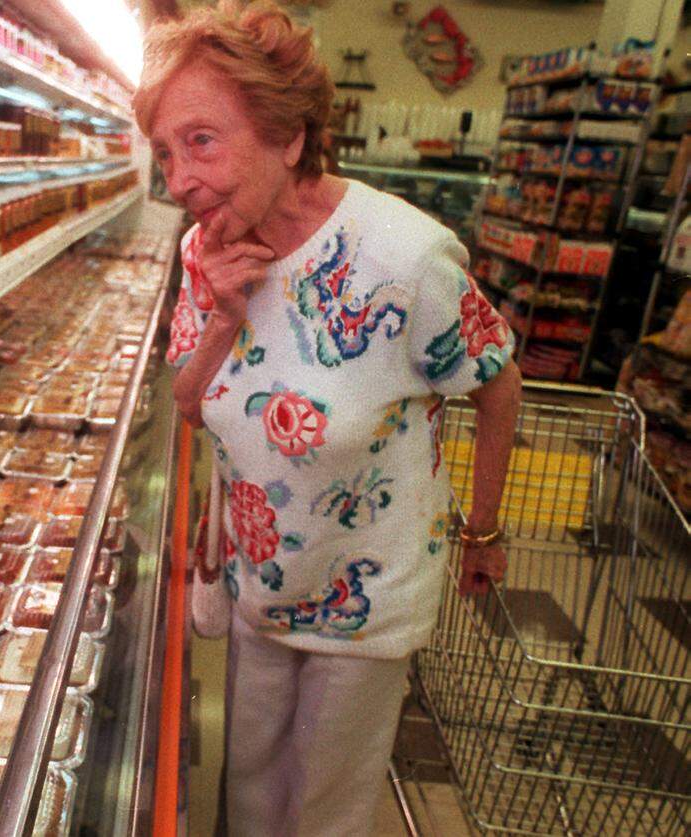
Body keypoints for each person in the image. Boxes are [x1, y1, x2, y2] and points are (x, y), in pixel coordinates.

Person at [132, 2, 521, 835]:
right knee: (250, 789)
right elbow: (191, 402)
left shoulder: (405, 257)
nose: (179, 178)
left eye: (202, 140)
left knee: (325, 809)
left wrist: (482, 529)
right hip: (260, 581)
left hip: (365, 595)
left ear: (289, 135)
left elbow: (497, 382)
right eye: (166, 151)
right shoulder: (204, 248)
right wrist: (227, 315)